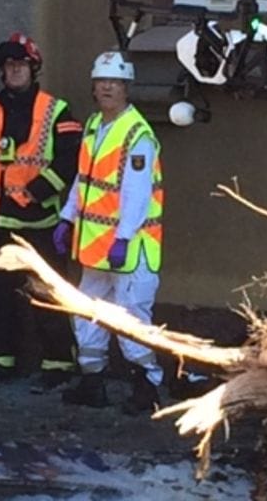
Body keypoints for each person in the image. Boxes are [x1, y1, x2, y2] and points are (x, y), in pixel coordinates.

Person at [0, 32, 82, 389]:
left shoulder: (55, 111)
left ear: (33, 68)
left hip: (39, 223)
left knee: (47, 294)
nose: (14, 71)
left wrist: (38, 191)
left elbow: (70, 160)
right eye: (9, 66)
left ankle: (58, 363)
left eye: (20, 65)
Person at [54, 50, 165, 414]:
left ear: (126, 88)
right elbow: (83, 182)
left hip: (130, 250)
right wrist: (68, 217)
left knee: (131, 319)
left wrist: (123, 237)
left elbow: (137, 193)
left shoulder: (137, 134)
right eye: (101, 82)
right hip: (96, 248)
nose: (106, 88)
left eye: (114, 82)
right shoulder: (93, 126)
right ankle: (93, 383)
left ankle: (147, 387)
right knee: (85, 313)